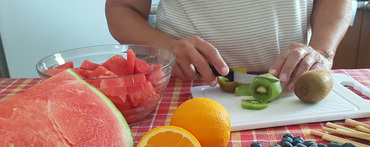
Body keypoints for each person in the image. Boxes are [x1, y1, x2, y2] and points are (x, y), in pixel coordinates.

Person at [105, 0, 352, 90]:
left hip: (290, 87)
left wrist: (322, 51)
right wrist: (165, 45)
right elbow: (121, 8)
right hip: (182, 82)